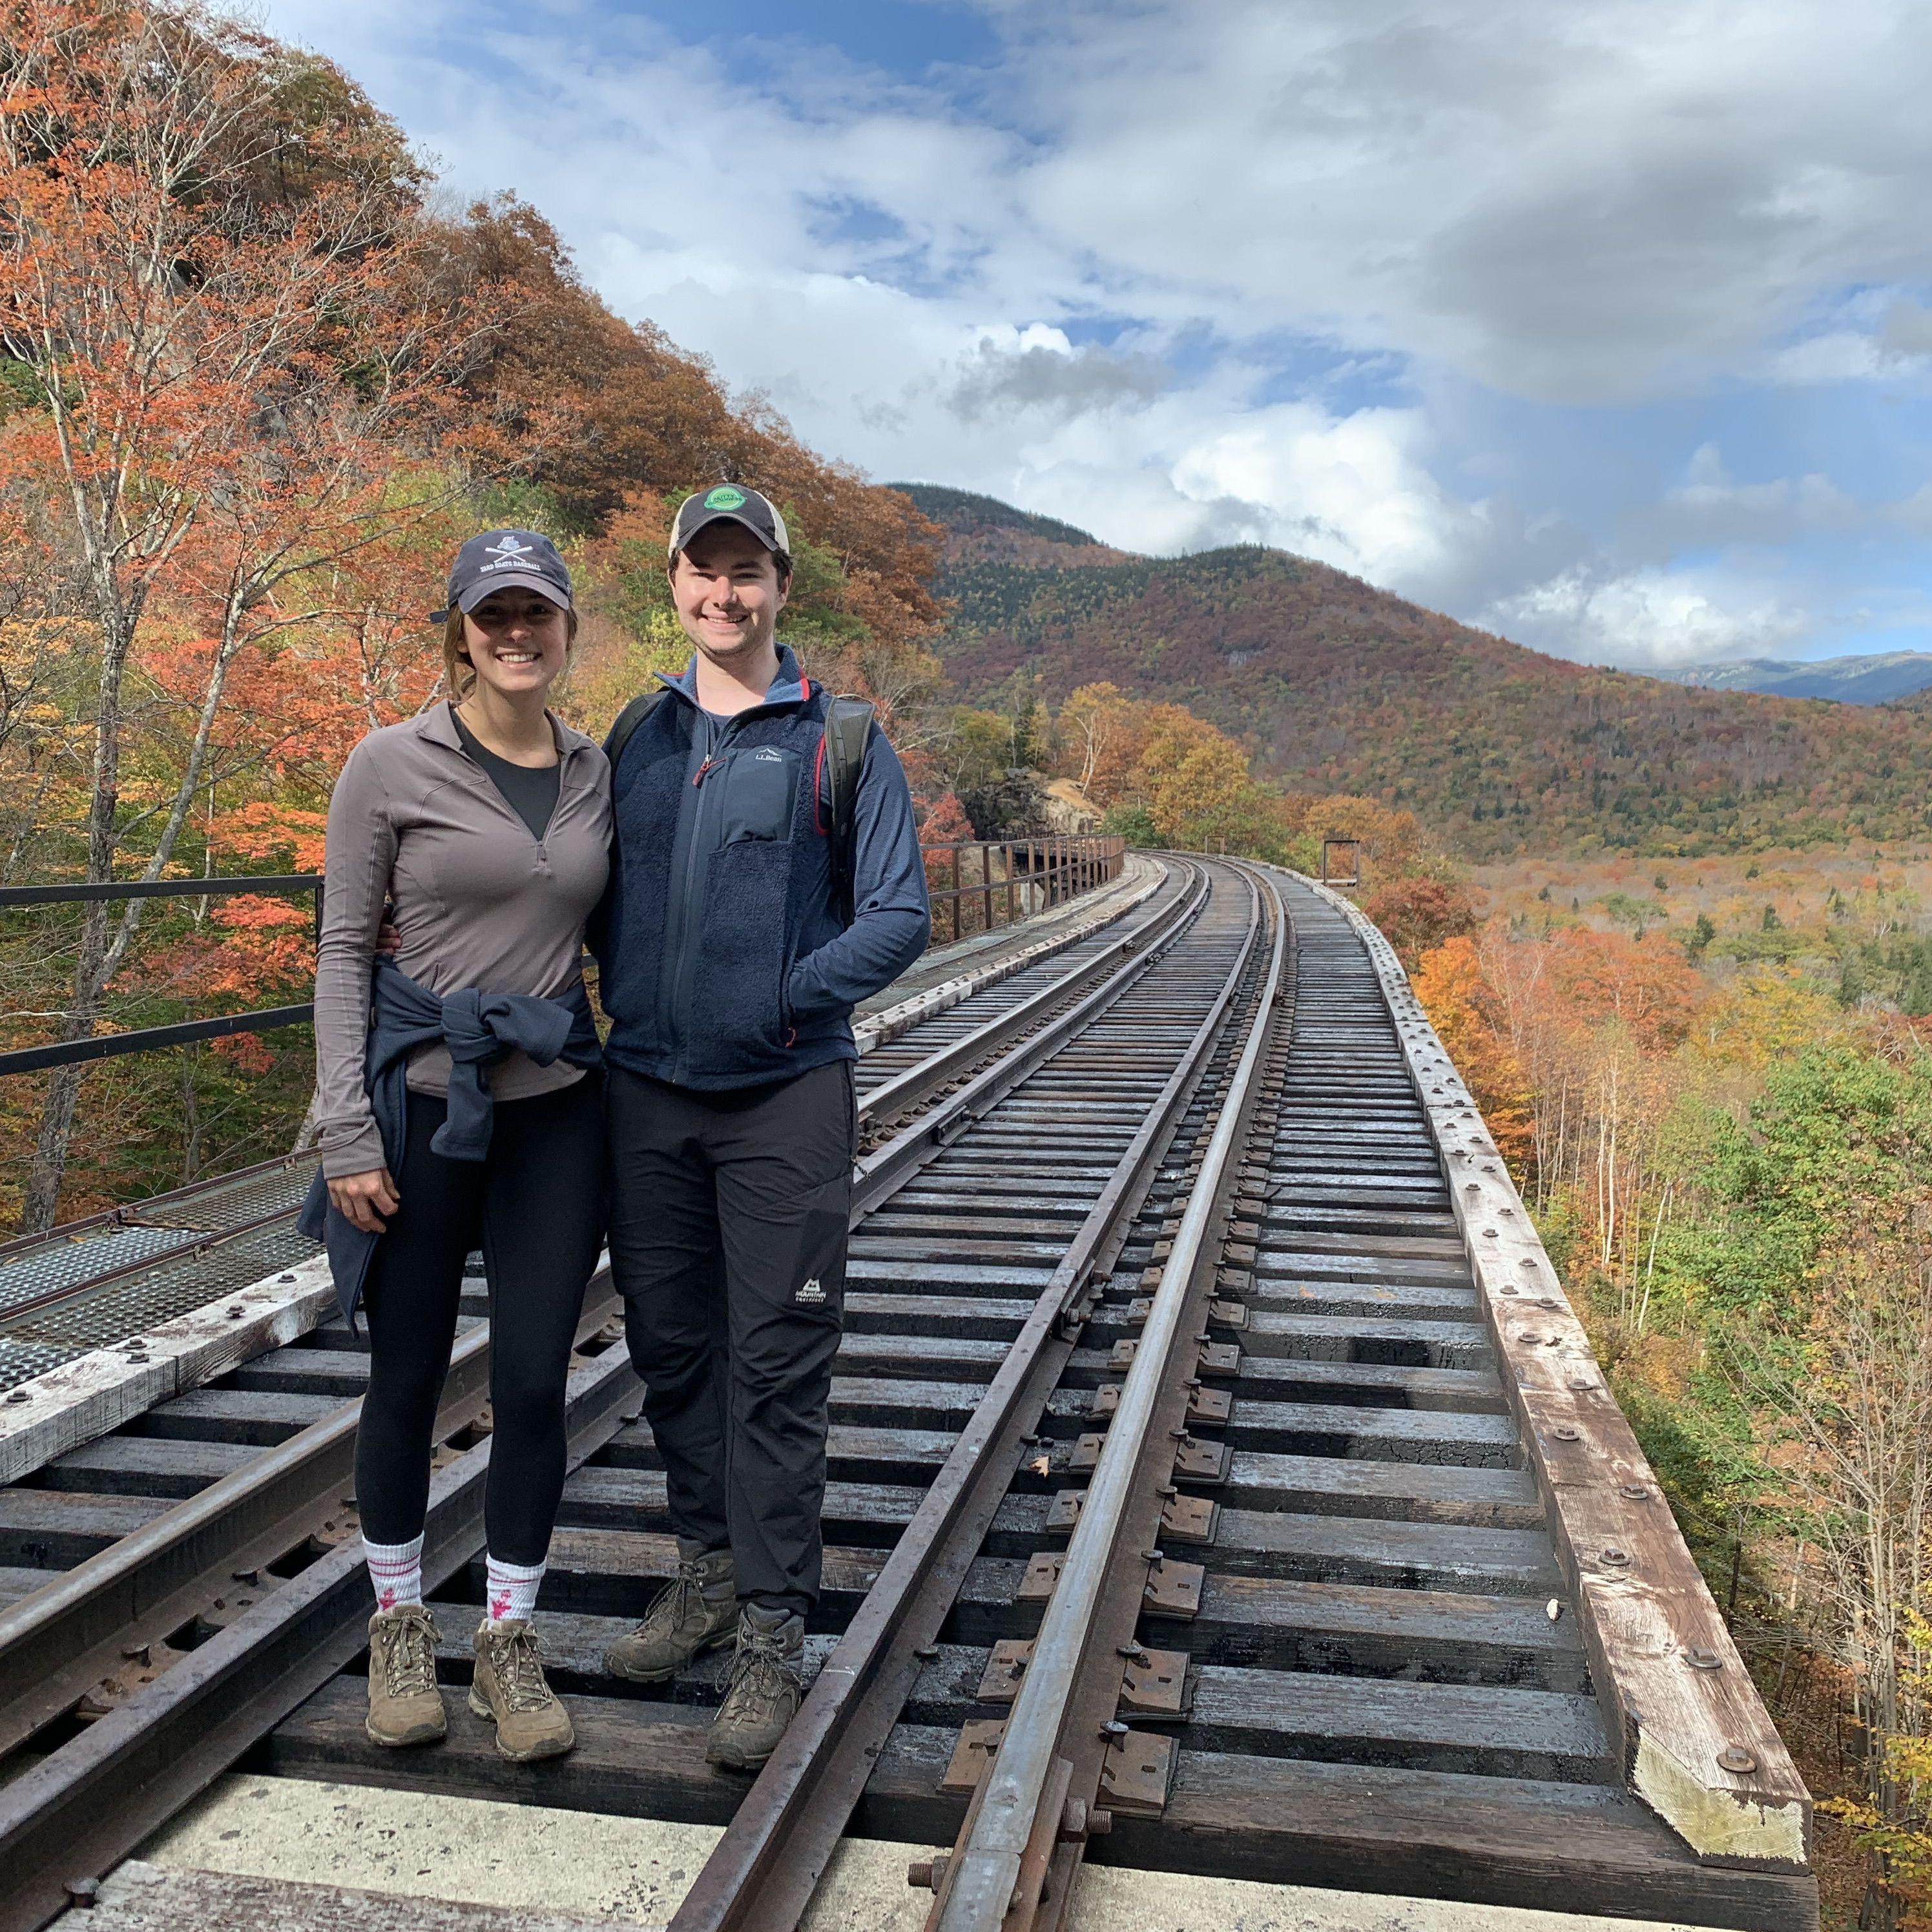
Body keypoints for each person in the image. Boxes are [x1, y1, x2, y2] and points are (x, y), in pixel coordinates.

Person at [596, 484, 930, 1770]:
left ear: (780, 587)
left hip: (785, 1092)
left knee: (776, 1358)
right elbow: (586, 892)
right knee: (672, 1348)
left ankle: (773, 1628)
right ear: (673, 580)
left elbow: (895, 914)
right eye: (703, 570)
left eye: (747, 573)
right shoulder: (638, 732)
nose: (723, 594)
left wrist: (785, 996)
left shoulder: (839, 738)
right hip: (647, 1091)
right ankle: (704, 1573)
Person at [300, 529, 612, 1763]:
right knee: (409, 1380)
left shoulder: (595, 770)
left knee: (538, 1383)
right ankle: (395, 1623)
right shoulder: (390, 763)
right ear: (461, 630)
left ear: (568, 625)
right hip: (422, 1112)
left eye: (538, 613)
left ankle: (507, 1640)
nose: (517, 634)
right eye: (495, 616)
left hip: (554, 1121)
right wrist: (345, 1132)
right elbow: (338, 954)